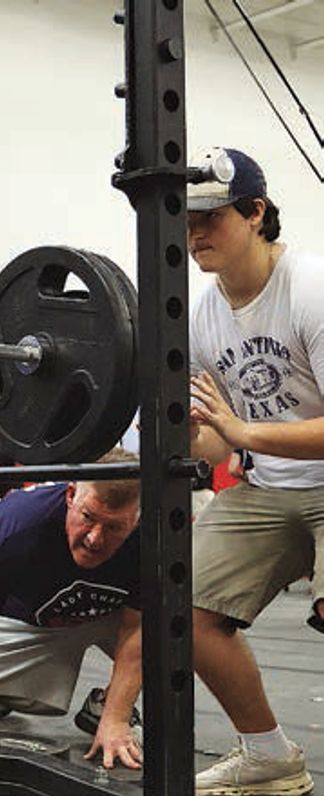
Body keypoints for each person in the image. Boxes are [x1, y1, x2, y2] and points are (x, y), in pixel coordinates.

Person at [185, 146, 320, 796]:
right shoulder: (201, 316)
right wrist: (192, 433)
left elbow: (241, 432)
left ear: (256, 212)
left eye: (209, 217)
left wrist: (241, 433)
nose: (194, 235)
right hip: (270, 490)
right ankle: (269, 756)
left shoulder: (311, 288)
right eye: (186, 220)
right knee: (179, 604)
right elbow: (216, 446)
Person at [0, 449, 144, 771]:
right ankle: (0, 696)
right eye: (88, 518)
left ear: (136, 518)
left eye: (114, 527)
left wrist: (116, 718)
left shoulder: (155, 536)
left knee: (183, 629)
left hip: (112, 619)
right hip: (30, 622)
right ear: (71, 495)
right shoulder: (16, 526)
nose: (95, 539)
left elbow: (138, 628)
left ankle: (104, 706)